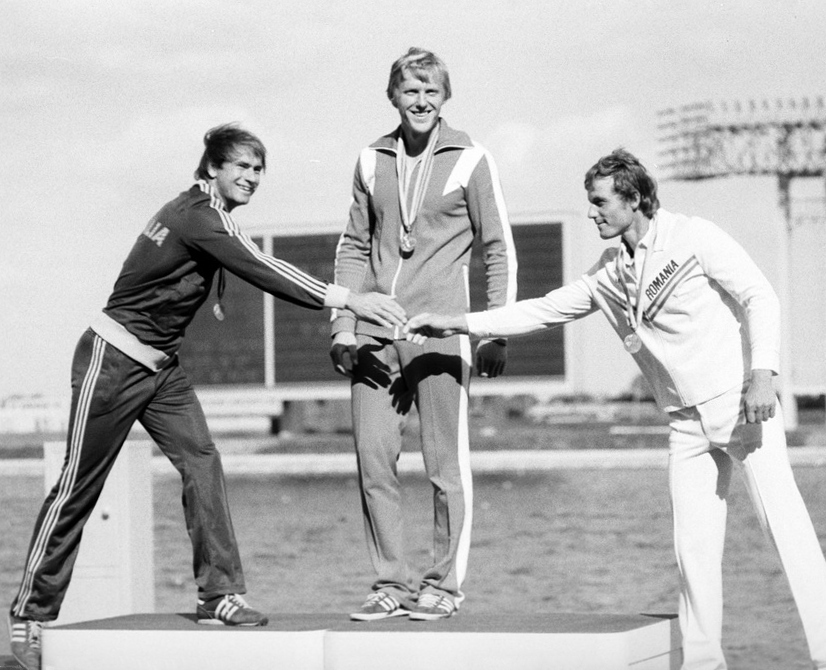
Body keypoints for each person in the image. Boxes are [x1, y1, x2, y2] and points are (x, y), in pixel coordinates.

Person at [404, 148, 826, 669]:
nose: (592, 212)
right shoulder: (608, 272)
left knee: (786, 532)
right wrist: (459, 323)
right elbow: (545, 310)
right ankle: (703, 665)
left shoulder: (693, 235)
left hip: (741, 404)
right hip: (684, 422)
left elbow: (761, 295)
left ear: (636, 199)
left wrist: (763, 376)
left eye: (601, 201)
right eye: (590, 202)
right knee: (692, 552)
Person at [8, 123, 407, 670]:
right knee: (79, 485)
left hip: (161, 369)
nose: (251, 177)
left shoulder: (204, 214)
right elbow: (264, 268)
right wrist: (349, 300)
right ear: (212, 168)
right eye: (241, 167)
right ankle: (31, 616)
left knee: (203, 462)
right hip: (113, 359)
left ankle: (218, 595)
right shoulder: (197, 215)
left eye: (258, 169)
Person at [330, 47, 517, 622]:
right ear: (393, 96)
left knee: (444, 467)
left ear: (445, 98)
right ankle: (389, 582)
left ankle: (443, 586)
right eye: (410, 91)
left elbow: (498, 249)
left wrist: (493, 330)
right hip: (374, 332)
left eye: (431, 91)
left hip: (440, 331)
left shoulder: (471, 158)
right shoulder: (370, 159)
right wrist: (343, 326)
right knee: (374, 461)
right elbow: (353, 247)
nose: (421, 101)